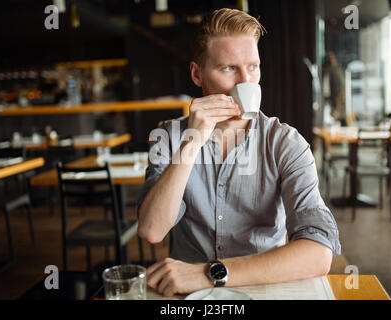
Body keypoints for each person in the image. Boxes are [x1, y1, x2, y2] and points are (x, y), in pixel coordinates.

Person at [136, 8, 341, 297]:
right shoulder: (168, 137)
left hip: (263, 289)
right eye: (229, 69)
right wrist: (192, 142)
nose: (246, 82)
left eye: (253, 67)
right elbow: (152, 230)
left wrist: (210, 273)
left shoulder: (286, 143)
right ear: (197, 74)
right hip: (189, 298)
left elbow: (319, 253)